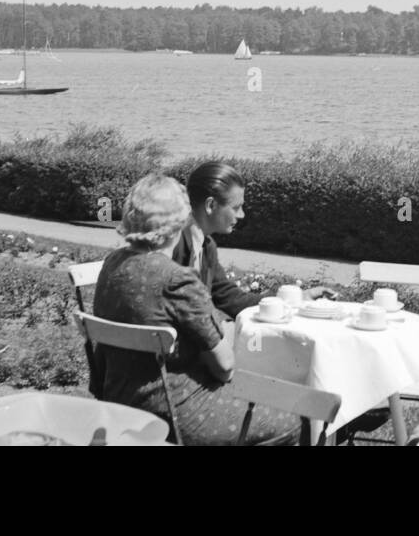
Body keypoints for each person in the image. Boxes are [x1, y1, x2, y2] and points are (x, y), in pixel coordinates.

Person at [89, 173, 299, 445]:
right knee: (296, 419)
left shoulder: (112, 264)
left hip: (116, 400)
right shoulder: (176, 279)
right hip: (174, 412)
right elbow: (224, 367)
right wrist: (227, 328)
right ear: (180, 220)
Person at [171, 160, 336, 309]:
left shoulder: (206, 246)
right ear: (211, 205)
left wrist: (299, 298)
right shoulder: (173, 243)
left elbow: (231, 299)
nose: (242, 215)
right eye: (236, 207)